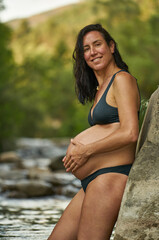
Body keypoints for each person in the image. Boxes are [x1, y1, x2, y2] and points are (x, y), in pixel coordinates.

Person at [48, 23, 140, 240]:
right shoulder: (101, 88)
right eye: (86, 49)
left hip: (112, 176)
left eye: (97, 44)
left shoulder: (122, 80)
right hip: (95, 180)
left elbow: (130, 132)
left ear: (111, 47)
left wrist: (86, 150)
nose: (92, 52)